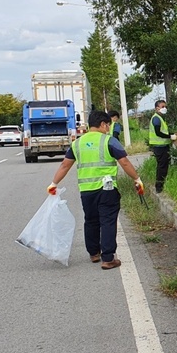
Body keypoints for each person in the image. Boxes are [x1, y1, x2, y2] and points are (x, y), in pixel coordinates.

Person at [47, 110, 144, 270]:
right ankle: (108, 258)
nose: (108, 128)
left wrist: (54, 183)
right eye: (108, 125)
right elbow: (124, 162)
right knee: (107, 220)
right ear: (103, 124)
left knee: (91, 220)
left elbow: (65, 164)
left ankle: (94, 253)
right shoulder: (109, 141)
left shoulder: (77, 143)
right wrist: (137, 179)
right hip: (107, 189)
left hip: (87, 190)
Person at [149, 99, 177, 193]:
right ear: (157, 108)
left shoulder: (160, 118)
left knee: (163, 166)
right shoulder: (156, 118)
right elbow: (158, 133)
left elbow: (163, 132)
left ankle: (161, 184)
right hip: (159, 147)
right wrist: (170, 136)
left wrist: (171, 134)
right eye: (162, 107)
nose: (165, 108)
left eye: (165, 107)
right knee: (162, 167)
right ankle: (159, 187)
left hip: (163, 146)